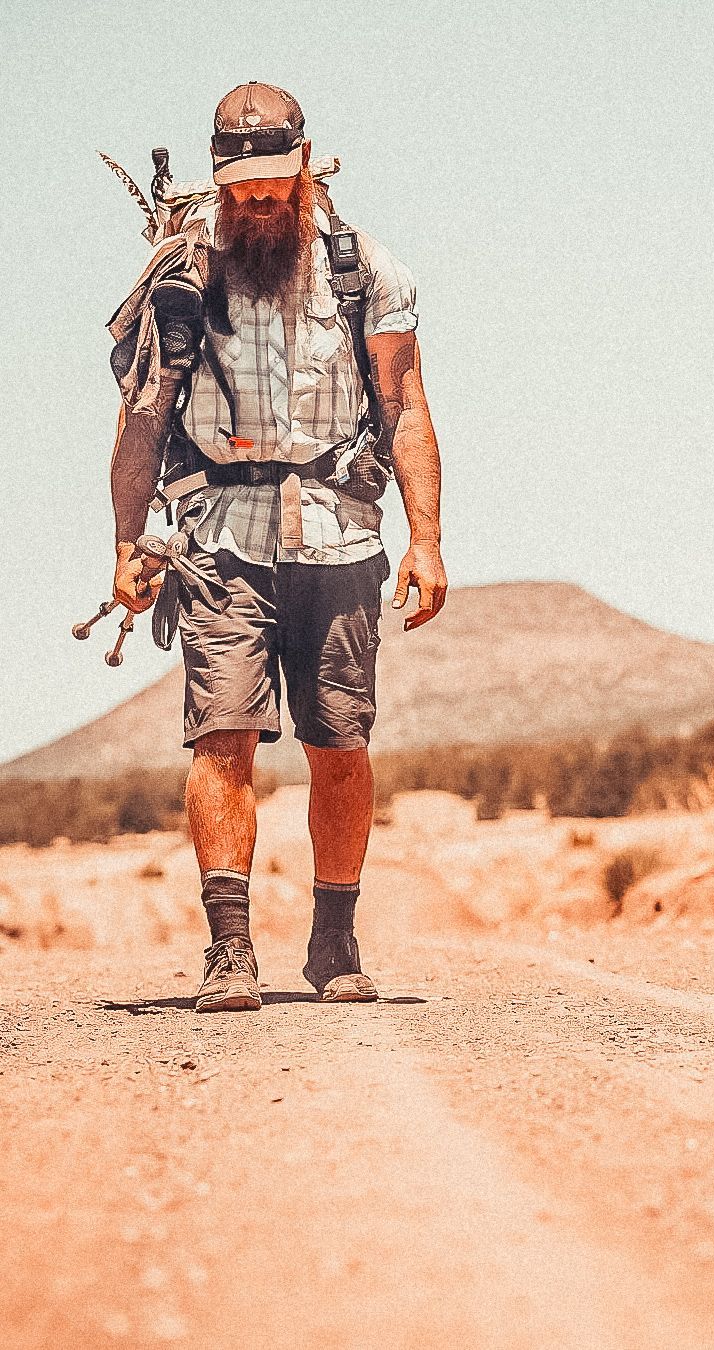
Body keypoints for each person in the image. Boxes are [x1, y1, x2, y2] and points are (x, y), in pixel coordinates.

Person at [108, 81, 447, 1011]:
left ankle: (335, 944)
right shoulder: (182, 278)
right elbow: (142, 417)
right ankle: (229, 953)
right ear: (219, 178)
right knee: (222, 739)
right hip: (218, 543)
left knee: (340, 745)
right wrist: (128, 540)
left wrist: (429, 540)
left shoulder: (365, 270)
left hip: (342, 539)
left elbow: (406, 405)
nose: (261, 199)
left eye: (276, 182)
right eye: (244, 184)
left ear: (305, 170)